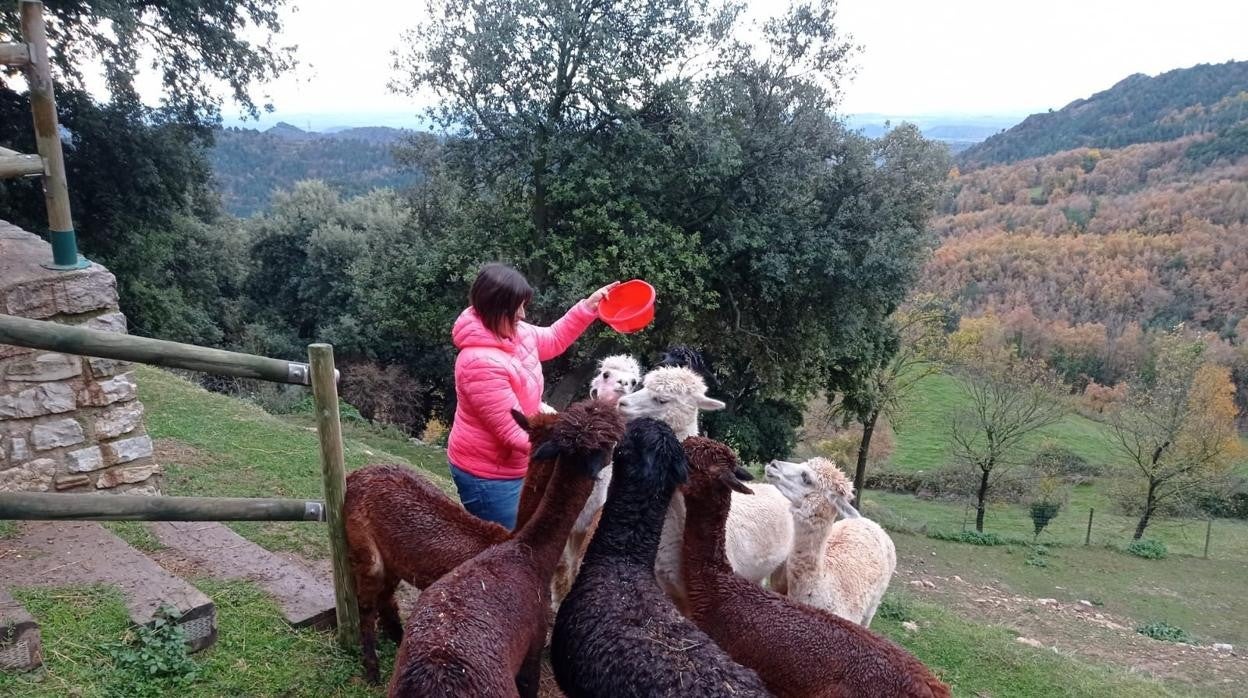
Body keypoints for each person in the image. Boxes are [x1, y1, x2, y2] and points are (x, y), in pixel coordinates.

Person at [448, 263, 618, 529]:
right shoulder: (478, 363)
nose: (522, 314)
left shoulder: (516, 332)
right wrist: (573, 444)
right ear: (494, 307)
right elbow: (513, 433)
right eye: (516, 308)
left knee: (523, 536)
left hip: (519, 464)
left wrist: (588, 308)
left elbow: (554, 338)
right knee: (507, 542)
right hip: (489, 476)